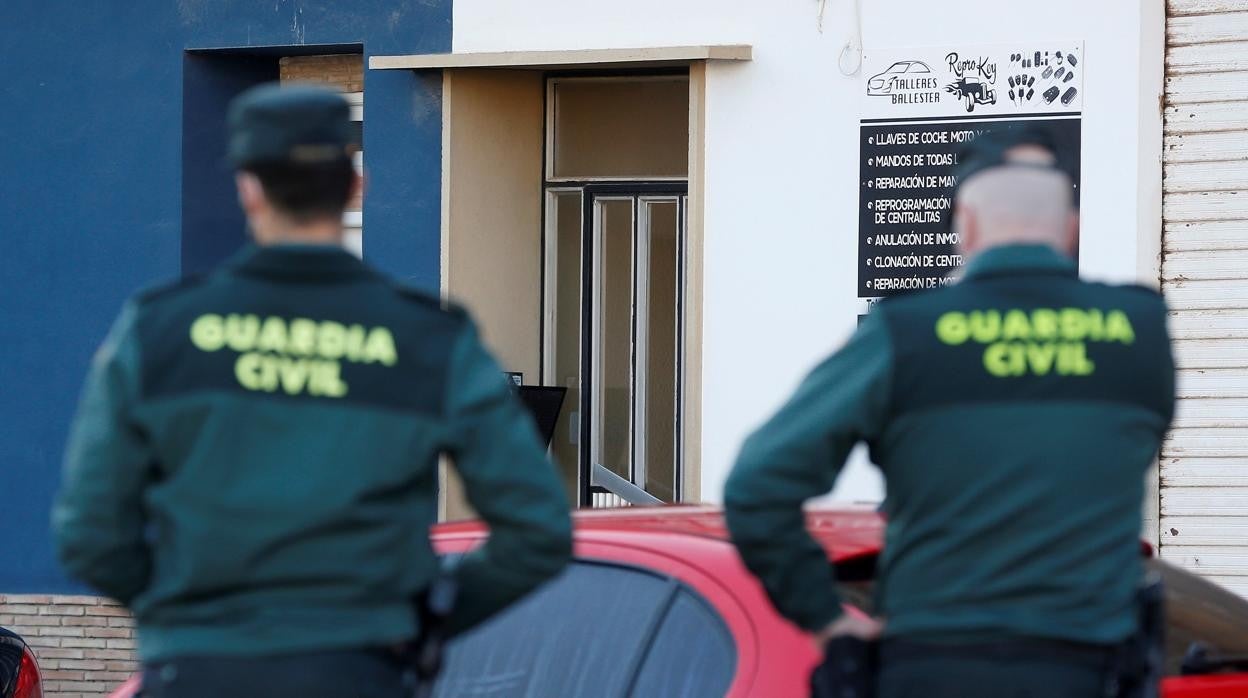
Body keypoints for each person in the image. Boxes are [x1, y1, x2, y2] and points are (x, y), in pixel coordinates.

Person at [52, 83, 572, 698]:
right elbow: (537, 530)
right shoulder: (427, 338)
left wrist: (185, 616)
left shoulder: (159, 331)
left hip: (195, 672)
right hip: (360, 672)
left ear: (247, 189)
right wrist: (423, 619)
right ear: (356, 185)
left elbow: (90, 534)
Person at [724, 128, 1174, 698]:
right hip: (1087, 671)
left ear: (966, 224)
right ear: (1070, 227)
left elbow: (756, 486)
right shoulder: (1138, 330)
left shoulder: (904, 333)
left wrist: (828, 619)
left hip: (932, 669)